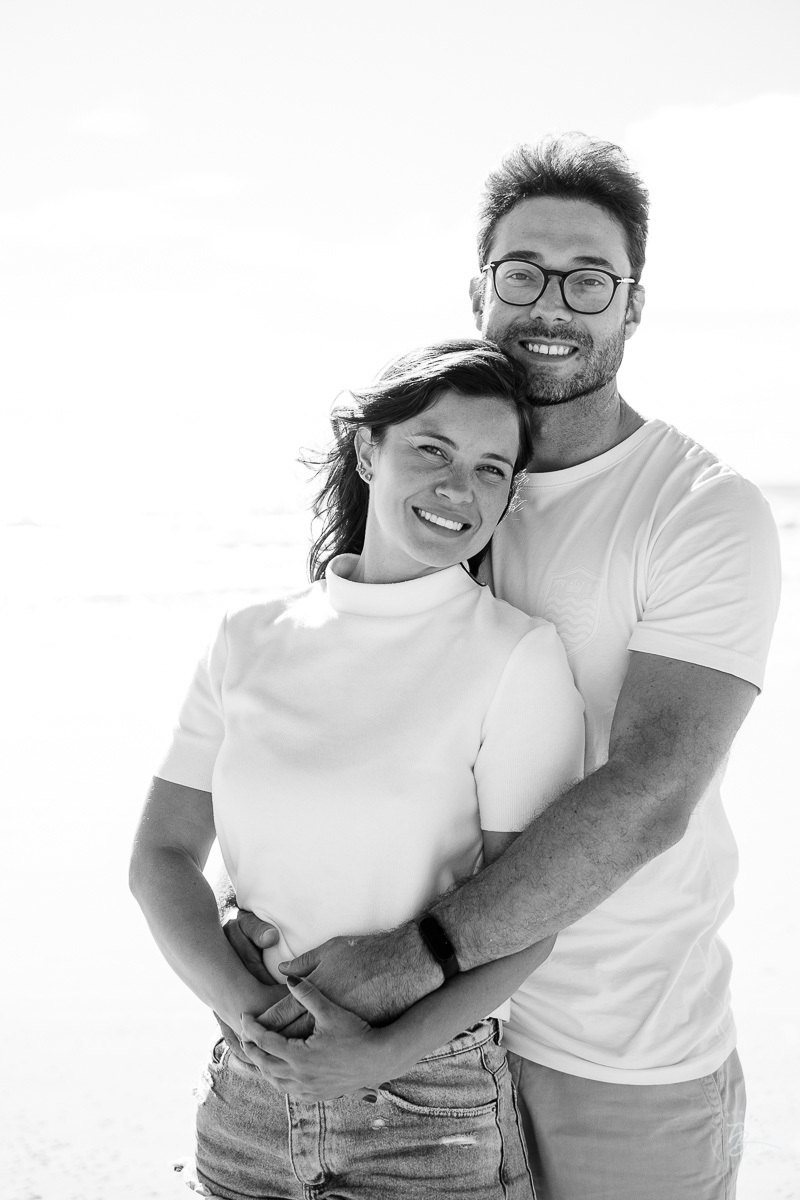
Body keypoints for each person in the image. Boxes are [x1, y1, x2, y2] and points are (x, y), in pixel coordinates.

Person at [231, 135, 782, 1200]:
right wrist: (260, 903)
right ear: (478, 286)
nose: (552, 304)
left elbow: (649, 793)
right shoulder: (442, 483)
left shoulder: (698, 508)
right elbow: (336, 705)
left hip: (608, 1044)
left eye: (589, 279)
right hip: (413, 1054)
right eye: (522, 271)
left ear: (632, 304)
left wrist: (416, 957)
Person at [129, 339, 585, 1199]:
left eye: (493, 470)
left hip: (427, 1108)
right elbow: (159, 858)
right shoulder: (249, 639)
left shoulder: (515, 656)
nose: (461, 489)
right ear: (368, 450)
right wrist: (253, 1015)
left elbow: (531, 913)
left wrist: (379, 1053)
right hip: (246, 1102)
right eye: (432, 450)